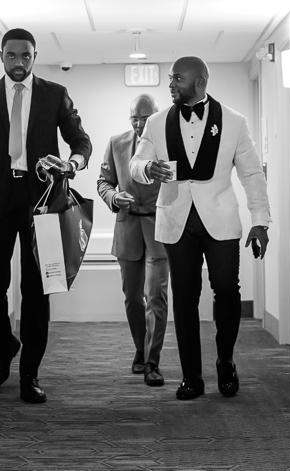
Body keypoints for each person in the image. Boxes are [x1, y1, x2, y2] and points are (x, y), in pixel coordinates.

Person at [0, 28, 91, 404]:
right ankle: (4, 346)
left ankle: (30, 374)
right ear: (2, 56)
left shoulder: (54, 95)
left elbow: (81, 141)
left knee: (36, 291)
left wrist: (71, 163)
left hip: (41, 201)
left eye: (26, 56)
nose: (19, 62)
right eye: (12, 55)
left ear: (34, 56)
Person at [129, 56, 270, 400]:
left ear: (200, 82)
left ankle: (226, 361)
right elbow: (135, 163)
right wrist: (148, 168)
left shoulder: (234, 122)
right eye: (170, 78)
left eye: (177, 78)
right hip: (178, 222)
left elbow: (251, 173)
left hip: (220, 221)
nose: (171, 84)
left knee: (227, 290)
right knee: (185, 298)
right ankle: (191, 376)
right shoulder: (158, 122)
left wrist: (260, 221)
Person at [97, 94, 170, 387]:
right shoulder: (117, 143)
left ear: (156, 116)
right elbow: (104, 182)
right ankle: (140, 348)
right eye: (134, 119)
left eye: (145, 118)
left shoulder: (168, 144)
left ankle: (153, 361)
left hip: (159, 229)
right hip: (127, 227)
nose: (139, 125)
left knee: (157, 297)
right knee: (132, 298)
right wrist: (114, 197)